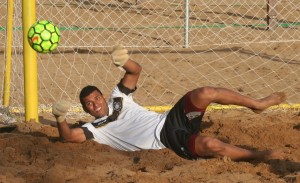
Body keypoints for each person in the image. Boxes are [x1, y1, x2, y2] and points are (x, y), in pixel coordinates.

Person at [52, 45, 287, 161]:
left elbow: (135, 72)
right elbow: (67, 137)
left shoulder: (118, 97)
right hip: (164, 140)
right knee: (211, 144)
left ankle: (257, 104)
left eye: (95, 98)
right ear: (85, 110)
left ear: (102, 96)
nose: (94, 104)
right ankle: (256, 156)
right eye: (89, 104)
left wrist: (124, 61)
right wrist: (60, 118)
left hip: (168, 119)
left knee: (204, 92)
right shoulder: (95, 129)